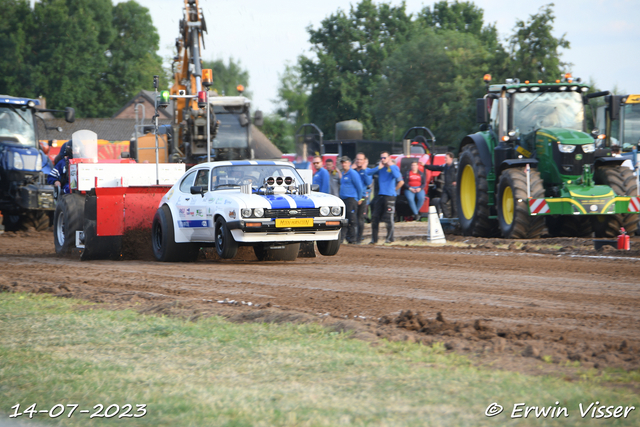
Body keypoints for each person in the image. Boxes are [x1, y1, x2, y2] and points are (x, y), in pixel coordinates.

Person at [366, 151, 404, 244]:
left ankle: (390, 238)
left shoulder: (394, 167)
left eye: (384, 158)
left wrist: (390, 164)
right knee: (375, 217)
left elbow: (397, 177)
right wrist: (379, 167)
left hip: (390, 196)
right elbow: (368, 172)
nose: (383, 160)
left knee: (388, 218)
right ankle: (374, 239)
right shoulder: (380, 168)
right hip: (380, 195)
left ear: (389, 158)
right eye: (381, 158)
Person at [338, 156, 364, 244]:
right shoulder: (343, 173)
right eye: (342, 162)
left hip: (351, 199)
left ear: (349, 163)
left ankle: (353, 239)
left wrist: (359, 198)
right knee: (344, 220)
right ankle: (343, 239)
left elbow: (359, 187)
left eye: (345, 162)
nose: (343, 164)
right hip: (344, 199)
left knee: (352, 220)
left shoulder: (353, 173)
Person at [424, 152, 457, 218]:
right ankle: (447, 217)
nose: (445, 159)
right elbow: (436, 167)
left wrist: (456, 181)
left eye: (446, 158)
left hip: (453, 187)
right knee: (442, 201)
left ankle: (455, 218)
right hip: (446, 187)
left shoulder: (455, 167)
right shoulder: (445, 166)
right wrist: (425, 166)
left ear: (451, 158)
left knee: (454, 204)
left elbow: (461, 174)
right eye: (445, 158)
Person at [353, 152, 372, 243]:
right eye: (357, 159)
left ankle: (359, 237)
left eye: (361, 159)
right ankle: (352, 237)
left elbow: (368, 183)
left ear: (364, 161)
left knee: (360, 217)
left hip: (363, 197)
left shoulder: (367, 170)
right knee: (352, 217)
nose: (359, 161)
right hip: (353, 197)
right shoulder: (352, 171)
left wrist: (364, 171)